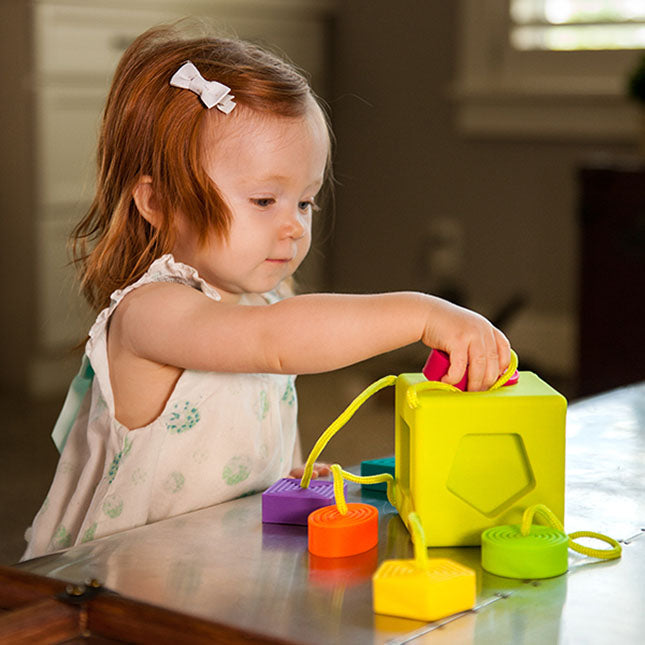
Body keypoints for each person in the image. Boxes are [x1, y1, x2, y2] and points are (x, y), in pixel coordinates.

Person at [22, 23, 510, 560]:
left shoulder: (265, 302)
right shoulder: (150, 312)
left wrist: (288, 473)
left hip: (222, 562)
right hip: (122, 582)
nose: (295, 226)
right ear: (158, 203)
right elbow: (274, 343)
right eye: (263, 201)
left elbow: (260, 401)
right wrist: (421, 313)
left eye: (305, 202)